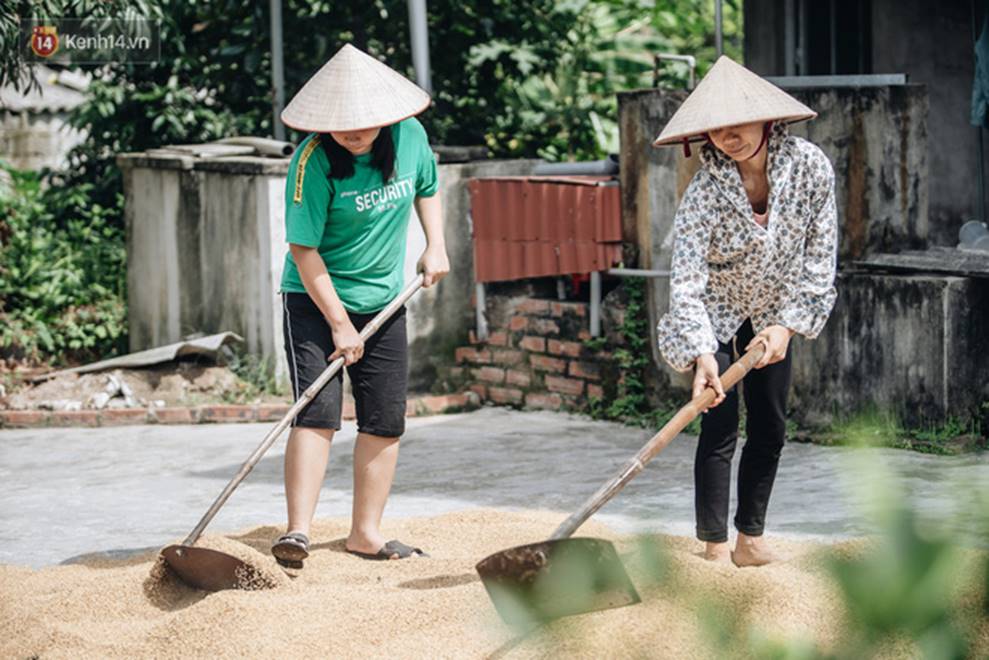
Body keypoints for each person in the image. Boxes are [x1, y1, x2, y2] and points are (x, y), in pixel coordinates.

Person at [653, 56, 838, 566]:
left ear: (767, 120)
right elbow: (685, 279)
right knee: (718, 427)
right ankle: (714, 546)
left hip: (776, 312)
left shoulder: (810, 168)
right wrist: (701, 353)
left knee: (770, 427)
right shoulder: (705, 191)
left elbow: (820, 259)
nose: (726, 137)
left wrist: (787, 326)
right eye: (716, 128)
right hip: (714, 314)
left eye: (737, 124)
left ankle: (749, 540)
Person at [270, 43, 449, 566]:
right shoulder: (310, 162)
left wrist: (435, 244)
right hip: (314, 300)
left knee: (385, 418)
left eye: (364, 122)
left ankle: (365, 534)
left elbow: (428, 187)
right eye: (342, 124)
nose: (353, 132)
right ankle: (297, 533)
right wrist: (340, 323)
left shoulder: (410, 137)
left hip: (384, 302)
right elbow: (303, 250)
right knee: (317, 413)